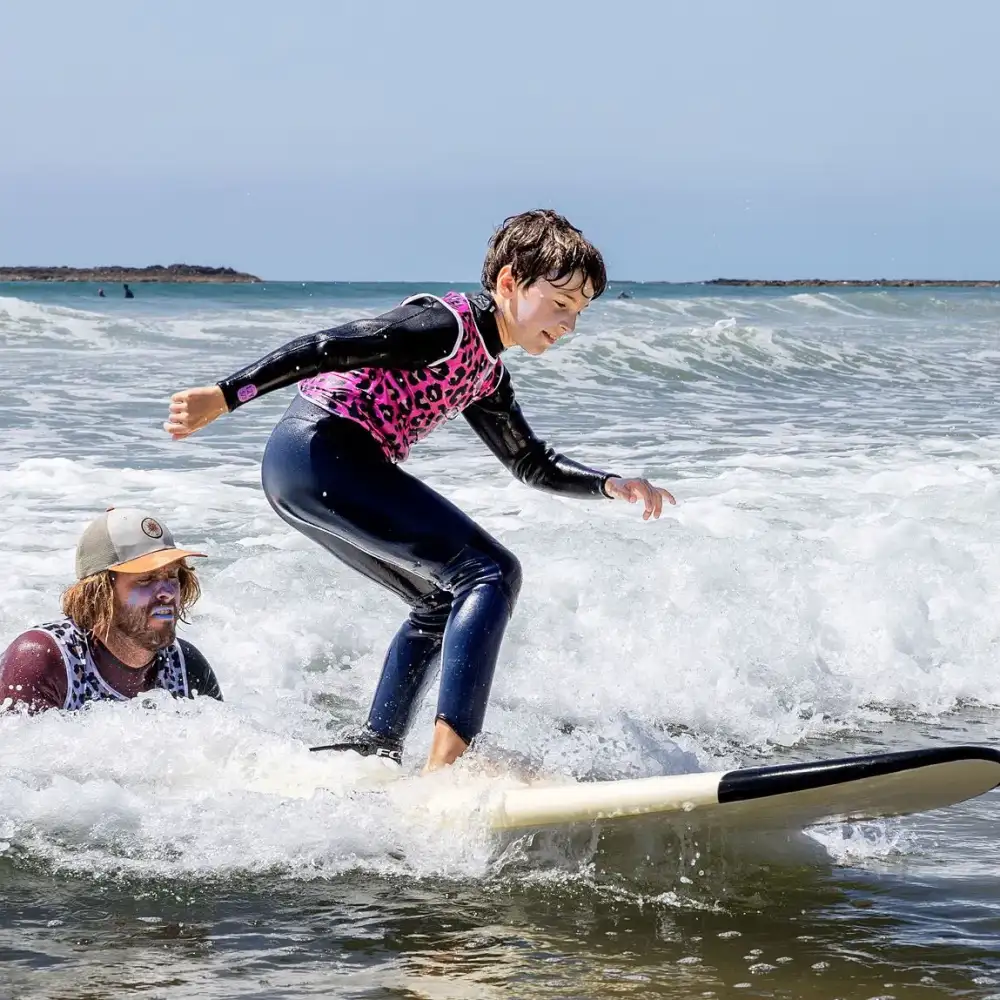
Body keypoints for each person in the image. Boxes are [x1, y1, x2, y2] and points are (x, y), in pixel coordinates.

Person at [163, 209, 673, 771]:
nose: (569, 324)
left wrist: (609, 484)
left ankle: (377, 747)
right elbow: (328, 347)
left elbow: (530, 462)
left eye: (578, 313)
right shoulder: (444, 327)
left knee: (438, 600)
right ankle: (450, 762)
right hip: (322, 452)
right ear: (508, 283)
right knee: (490, 571)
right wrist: (227, 394)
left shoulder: (486, 370)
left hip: (302, 471)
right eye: (559, 305)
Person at [0, 507, 222, 713]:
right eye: (146, 579)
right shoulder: (43, 661)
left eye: (172, 576)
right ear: (98, 593)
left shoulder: (185, 665)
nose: (167, 592)